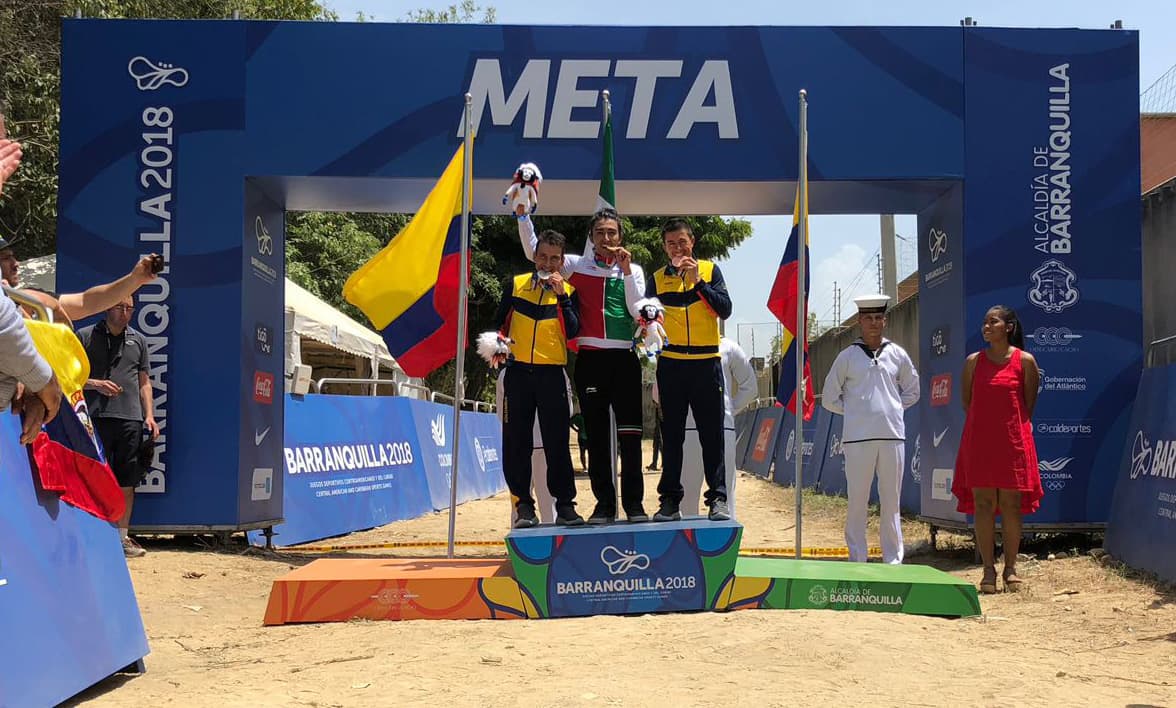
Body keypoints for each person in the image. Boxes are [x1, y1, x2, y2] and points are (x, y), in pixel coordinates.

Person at [518, 206, 647, 524]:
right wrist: (523, 217)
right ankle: (604, 505)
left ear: (620, 237)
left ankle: (634, 505)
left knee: (630, 437)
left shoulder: (634, 270)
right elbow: (536, 252)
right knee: (598, 438)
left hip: (625, 359)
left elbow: (635, 309)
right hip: (590, 359)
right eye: (600, 232)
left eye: (612, 233)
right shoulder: (576, 265)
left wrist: (627, 270)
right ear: (591, 237)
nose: (606, 238)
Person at [495, 229, 584, 528]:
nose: (548, 263)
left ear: (562, 261)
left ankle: (566, 506)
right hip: (518, 373)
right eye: (543, 256)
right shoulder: (516, 284)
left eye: (554, 259)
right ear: (535, 256)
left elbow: (573, 332)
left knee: (557, 443)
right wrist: (498, 353)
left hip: (552, 374)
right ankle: (523, 506)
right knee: (516, 442)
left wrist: (562, 299)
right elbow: (498, 325)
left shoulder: (569, 292)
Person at [645, 219, 733, 522]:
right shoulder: (656, 279)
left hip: (706, 363)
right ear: (665, 247)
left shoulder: (710, 270)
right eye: (671, 243)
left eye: (682, 242)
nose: (678, 248)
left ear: (692, 242)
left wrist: (698, 283)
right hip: (671, 365)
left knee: (712, 435)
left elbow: (725, 309)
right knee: (671, 436)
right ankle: (669, 500)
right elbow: (647, 319)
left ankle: (718, 498)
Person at [821, 295, 919, 564]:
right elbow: (830, 397)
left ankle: (893, 559)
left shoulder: (897, 353)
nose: (874, 323)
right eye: (868, 318)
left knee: (891, 502)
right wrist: (855, 411)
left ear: (884, 320)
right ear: (859, 322)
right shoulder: (847, 356)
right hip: (858, 439)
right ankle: (857, 558)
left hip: (892, 436)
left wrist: (894, 408)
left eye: (878, 318)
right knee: (857, 502)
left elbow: (913, 390)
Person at [952, 305, 1043, 593]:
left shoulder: (1025, 361)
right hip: (979, 442)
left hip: (1013, 442)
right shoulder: (973, 362)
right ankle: (988, 570)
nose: (986, 327)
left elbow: (1028, 405)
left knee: (1011, 506)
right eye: (984, 322)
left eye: (993, 322)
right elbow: (967, 403)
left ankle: (1011, 569)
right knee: (983, 504)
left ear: (1009, 327)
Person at [77, 297, 159, 557]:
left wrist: (149, 415)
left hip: (130, 419)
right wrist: (95, 384)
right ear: (106, 307)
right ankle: (90, 536)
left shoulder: (139, 340)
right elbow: (69, 376)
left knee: (127, 480)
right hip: (93, 418)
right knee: (91, 478)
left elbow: (144, 381)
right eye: (120, 307)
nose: (126, 313)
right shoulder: (85, 335)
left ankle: (122, 538)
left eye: (130, 309)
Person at [0, 232, 161, 324]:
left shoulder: (30, 297)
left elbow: (86, 302)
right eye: (6, 258)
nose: (16, 264)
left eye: (13, 257)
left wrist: (135, 278)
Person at [677, 337, 757, 518]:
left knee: (721, 494)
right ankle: (694, 542)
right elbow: (750, 387)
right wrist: (729, 409)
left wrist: (728, 409)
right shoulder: (675, 344)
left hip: (705, 427)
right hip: (701, 429)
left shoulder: (729, 346)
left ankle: (720, 542)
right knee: (690, 495)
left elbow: (750, 387)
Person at [496, 367, 575, 525]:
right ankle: (531, 544)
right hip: (535, 448)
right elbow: (568, 410)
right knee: (530, 505)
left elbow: (502, 414)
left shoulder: (557, 370)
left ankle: (529, 544)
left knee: (536, 505)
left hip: (541, 449)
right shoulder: (507, 374)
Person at [569, 408, 589, 473]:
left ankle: (585, 467)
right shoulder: (590, 415)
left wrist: (575, 429)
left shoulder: (579, 417)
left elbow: (569, 422)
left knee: (582, 453)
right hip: (588, 437)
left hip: (582, 437)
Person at [647, 398, 662, 471]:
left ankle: (655, 463)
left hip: (660, 418)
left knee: (658, 442)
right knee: (657, 443)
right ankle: (655, 463)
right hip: (659, 418)